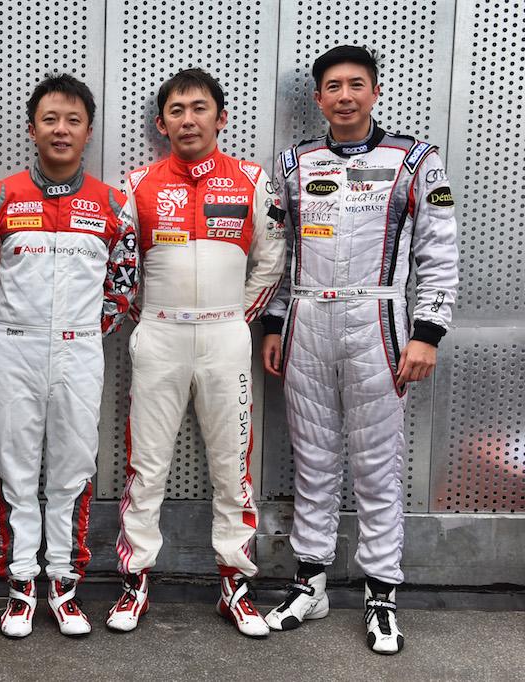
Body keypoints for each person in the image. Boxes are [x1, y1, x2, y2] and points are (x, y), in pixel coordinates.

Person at [260, 45, 458, 655]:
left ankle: (381, 594)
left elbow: (439, 252)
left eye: (356, 85)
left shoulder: (415, 160)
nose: (344, 96)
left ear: (374, 91)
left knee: (377, 464)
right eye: (333, 87)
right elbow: (279, 253)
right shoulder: (293, 163)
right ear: (318, 98)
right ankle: (310, 583)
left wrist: (427, 332)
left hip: (380, 321)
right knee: (312, 458)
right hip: (306, 320)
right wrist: (274, 323)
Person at [107, 69, 286, 638]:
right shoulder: (137, 183)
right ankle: (135, 580)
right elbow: (121, 266)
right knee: (146, 466)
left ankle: (235, 583)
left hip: (225, 336)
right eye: (177, 110)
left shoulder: (252, 180)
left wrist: (235, 317)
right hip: (159, 335)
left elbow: (272, 260)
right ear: (162, 124)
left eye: (199, 108)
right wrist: (149, 316)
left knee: (233, 467)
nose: (189, 119)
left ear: (221, 117)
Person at [0, 74, 138, 638]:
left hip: (80, 350)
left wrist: (81, 332)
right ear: (32, 128)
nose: (61, 130)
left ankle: (64, 584)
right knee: (15, 469)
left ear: (87, 131)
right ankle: (20, 586)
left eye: (73, 121)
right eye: (50, 120)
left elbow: (123, 284)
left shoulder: (113, 205)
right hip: (14, 347)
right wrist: (17, 327)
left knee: (73, 469)